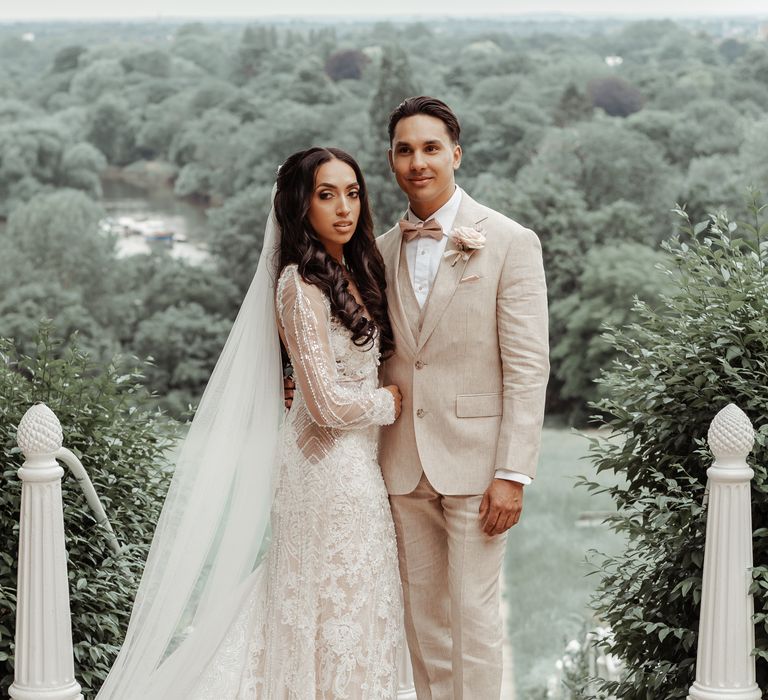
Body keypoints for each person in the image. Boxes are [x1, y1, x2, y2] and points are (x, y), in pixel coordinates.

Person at [97, 147, 404, 699]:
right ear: (299, 205)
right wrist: (390, 403)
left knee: (353, 602)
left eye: (352, 193)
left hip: (359, 467)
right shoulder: (297, 285)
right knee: (322, 602)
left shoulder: (357, 271)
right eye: (326, 195)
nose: (343, 208)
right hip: (322, 469)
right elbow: (327, 405)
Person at [375, 96, 549, 700]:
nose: (416, 161)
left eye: (429, 148)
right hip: (400, 463)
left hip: (479, 466)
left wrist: (512, 473)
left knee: (475, 622)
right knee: (424, 625)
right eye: (404, 149)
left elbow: (528, 367)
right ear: (392, 160)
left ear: (456, 153)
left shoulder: (509, 242)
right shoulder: (379, 250)